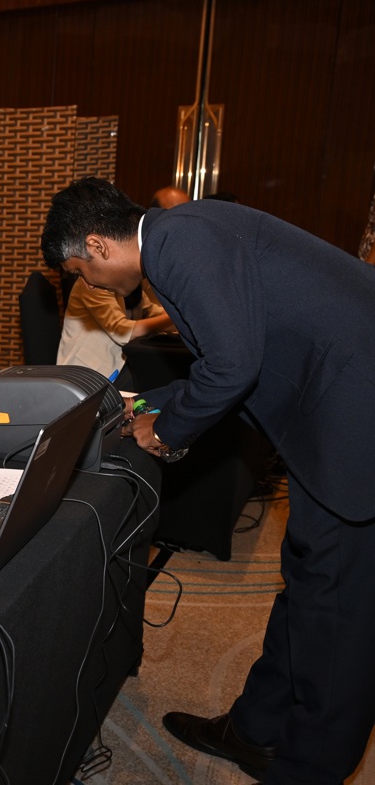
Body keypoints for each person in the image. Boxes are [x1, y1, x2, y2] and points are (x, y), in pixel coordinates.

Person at [41, 177, 375, 784]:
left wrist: (166, 432)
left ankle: (309, 768)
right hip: (335, 408)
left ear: (97, 246)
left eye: (81, 273)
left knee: (337, 610)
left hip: (356, 419)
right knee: (309, 578)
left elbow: (232, 368)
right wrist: (143, 405)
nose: (90, 286)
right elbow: (236, 361)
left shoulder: (178, 244)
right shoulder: (182, 236)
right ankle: (258, 728)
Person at [57, 267, 173, 389]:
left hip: (119, 362)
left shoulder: (130, 286)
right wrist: (171, 317)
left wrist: (176, 316)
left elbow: (155, 313)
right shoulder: (91, 283)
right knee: (157, 379)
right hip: (89, 371)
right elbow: (122, 331)